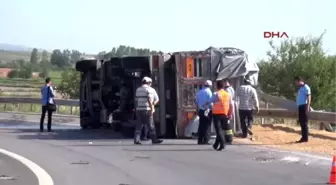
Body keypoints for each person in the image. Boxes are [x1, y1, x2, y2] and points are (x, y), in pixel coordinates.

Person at [204, 81, 233, 151]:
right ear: (223, 86)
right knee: (221, 130)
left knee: (218, 130)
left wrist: (205, 104)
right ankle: (216, 145)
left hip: (216, 114)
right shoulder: (228, 94)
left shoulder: (216, 94)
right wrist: (230, 113)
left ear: (217, 86)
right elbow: (231, 105)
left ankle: (223, 143)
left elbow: (210, 101)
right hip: (225, 114)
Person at [134, 76, 163, 145]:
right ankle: (154, 139)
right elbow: (152, 99)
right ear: (149, 83)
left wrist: (136, 108)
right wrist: (152, 107)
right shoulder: (151, 90)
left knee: (139, 125)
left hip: (139, 109)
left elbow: (136, 100)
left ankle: (136, 139)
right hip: (147, 109)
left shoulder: (138, 89)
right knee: (151, 125)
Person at [195, 80, 213, 145]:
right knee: (207, 125)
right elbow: (211, 103)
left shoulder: (199, 92)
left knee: (201, 125)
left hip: (201, 110)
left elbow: (196, 103)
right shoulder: (209, 92)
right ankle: (206, 140)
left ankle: (200, 140)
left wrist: (197, 110)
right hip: (207, 110)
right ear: (210, 86)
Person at [294, 76, 311, 143]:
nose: (295, 83)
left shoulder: (306, 87)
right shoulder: (300, 88)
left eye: (296, 81)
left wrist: (307, 107)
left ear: (299, 81)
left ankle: (305, 138)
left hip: (304, 106)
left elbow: (309, 97)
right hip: (300, 107)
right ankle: (303, 137)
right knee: (301, 122)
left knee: (304, 123)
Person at [223, 79, 235, 144]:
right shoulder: (232, 89)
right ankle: (229, 137)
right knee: (229, 123)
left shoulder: (227, 91)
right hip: (230, 107)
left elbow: (227, 100)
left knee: (227, 124)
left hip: (228, 107)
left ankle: (228, 138)